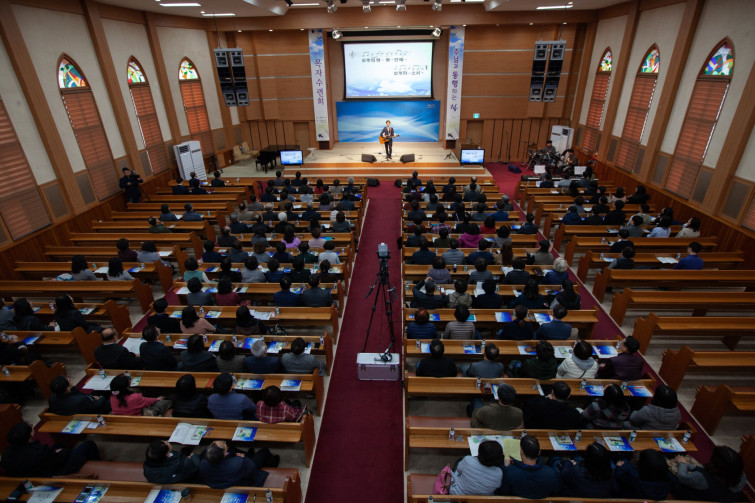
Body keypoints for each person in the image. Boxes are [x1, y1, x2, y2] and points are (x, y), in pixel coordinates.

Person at [1, 421, 100, 477]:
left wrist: (54, 452)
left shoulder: (6, 454)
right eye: (31, 427)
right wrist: (61, 452)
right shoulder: (39, 451)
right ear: (29, 434)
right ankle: (95, 465)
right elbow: (61, 459)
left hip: (33, 472)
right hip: (54, 474)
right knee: (88, 445)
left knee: (58, 445)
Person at [671, 445, 747, 501]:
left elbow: (682, 477)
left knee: (669, 475)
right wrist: (688, 465)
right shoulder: (742, 476)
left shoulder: (702, 478)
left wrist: (682, 463)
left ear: (716, 465)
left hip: (694, 498)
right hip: (720, 498)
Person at [496, 435, 560, 498]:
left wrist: (505, 467)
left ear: (521, 453)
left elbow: (503, 493)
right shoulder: (551, 473)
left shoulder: (510, 473)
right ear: (539, 452)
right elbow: (556, 493)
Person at [199, 440, 278, 489]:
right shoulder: (239, 463)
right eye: (224, 444)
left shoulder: (202, 464)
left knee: (232, 449)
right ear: (225, 454)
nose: (224, 443)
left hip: (220, 480)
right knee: (264, 451)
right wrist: (243, 458)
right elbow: (252, 467)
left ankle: (248, 454)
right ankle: (273, 463)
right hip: (238, 482)